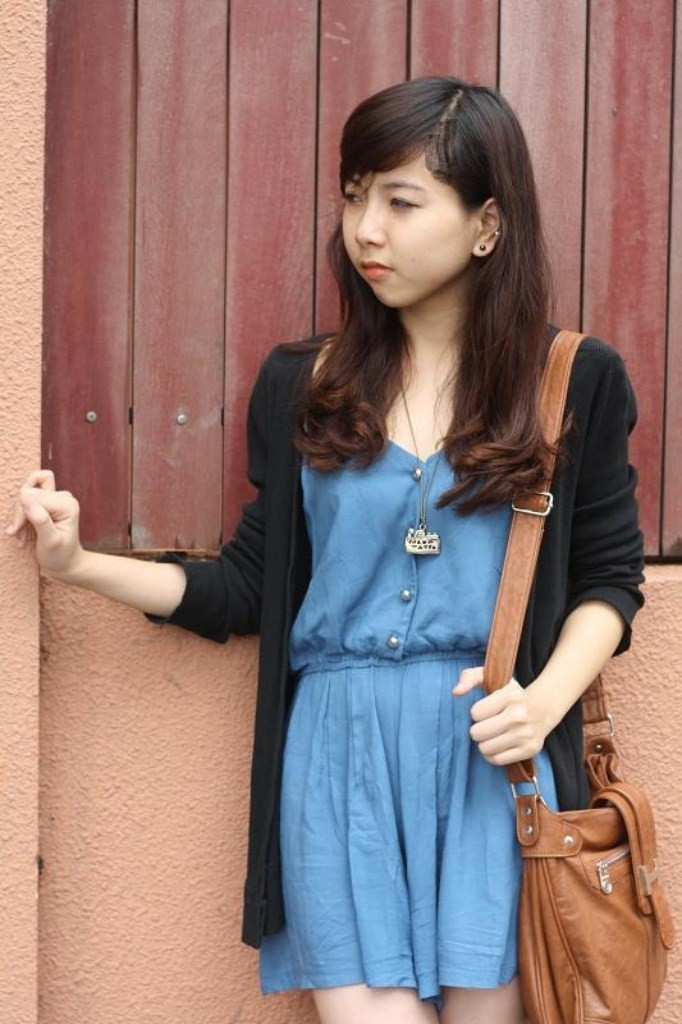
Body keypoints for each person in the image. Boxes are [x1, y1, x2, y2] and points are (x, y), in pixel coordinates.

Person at [7, 76, 644, 1024]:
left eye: (401, 201)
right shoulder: (304, 385)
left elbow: (609, 579)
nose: (366, 230)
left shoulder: (571, 380)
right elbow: (247, 587)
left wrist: (543, 700)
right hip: (337, 763)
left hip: (493, 760)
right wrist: (74, 565)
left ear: (486, 226)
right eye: (354, 197)